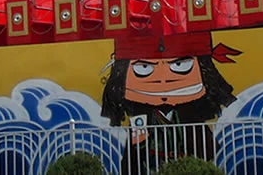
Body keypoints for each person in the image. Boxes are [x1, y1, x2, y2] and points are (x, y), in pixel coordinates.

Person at [101, 32, 240, 173]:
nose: (163, 80)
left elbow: (207, 150)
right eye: (143, 68)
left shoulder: (192, 116)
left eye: (180, 65)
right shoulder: (140, 118)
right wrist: (140, 143)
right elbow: (133, 157)